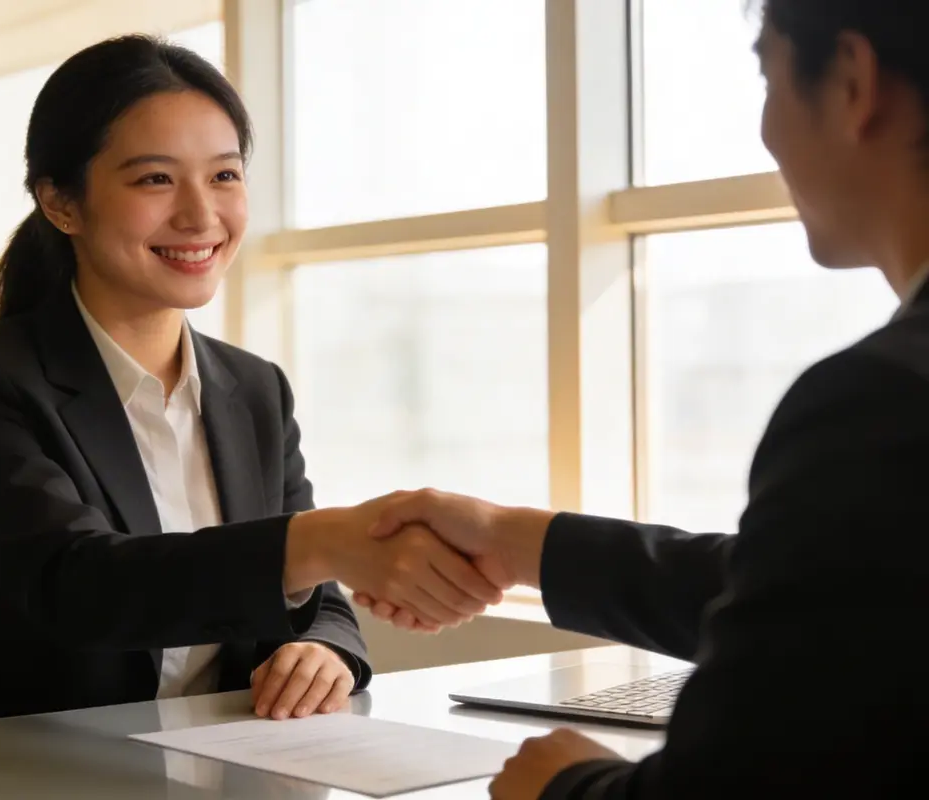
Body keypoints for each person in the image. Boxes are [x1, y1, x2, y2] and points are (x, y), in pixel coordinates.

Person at [356, 1, 929, 797]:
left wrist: (565, 783)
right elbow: (821, 598)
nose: (764, 130)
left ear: (853, 83)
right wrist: (518, 541)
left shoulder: (876, 402)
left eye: (768, 75)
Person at [0, 35, 503, 727]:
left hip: (226, 764)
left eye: (224, 175)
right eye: (155, 179)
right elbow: (80, 586)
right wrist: (319, 541)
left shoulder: (255, 390)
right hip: (38, 767)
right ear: (62, 203)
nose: (201, 215)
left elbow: (322, 604)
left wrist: (325, 652)